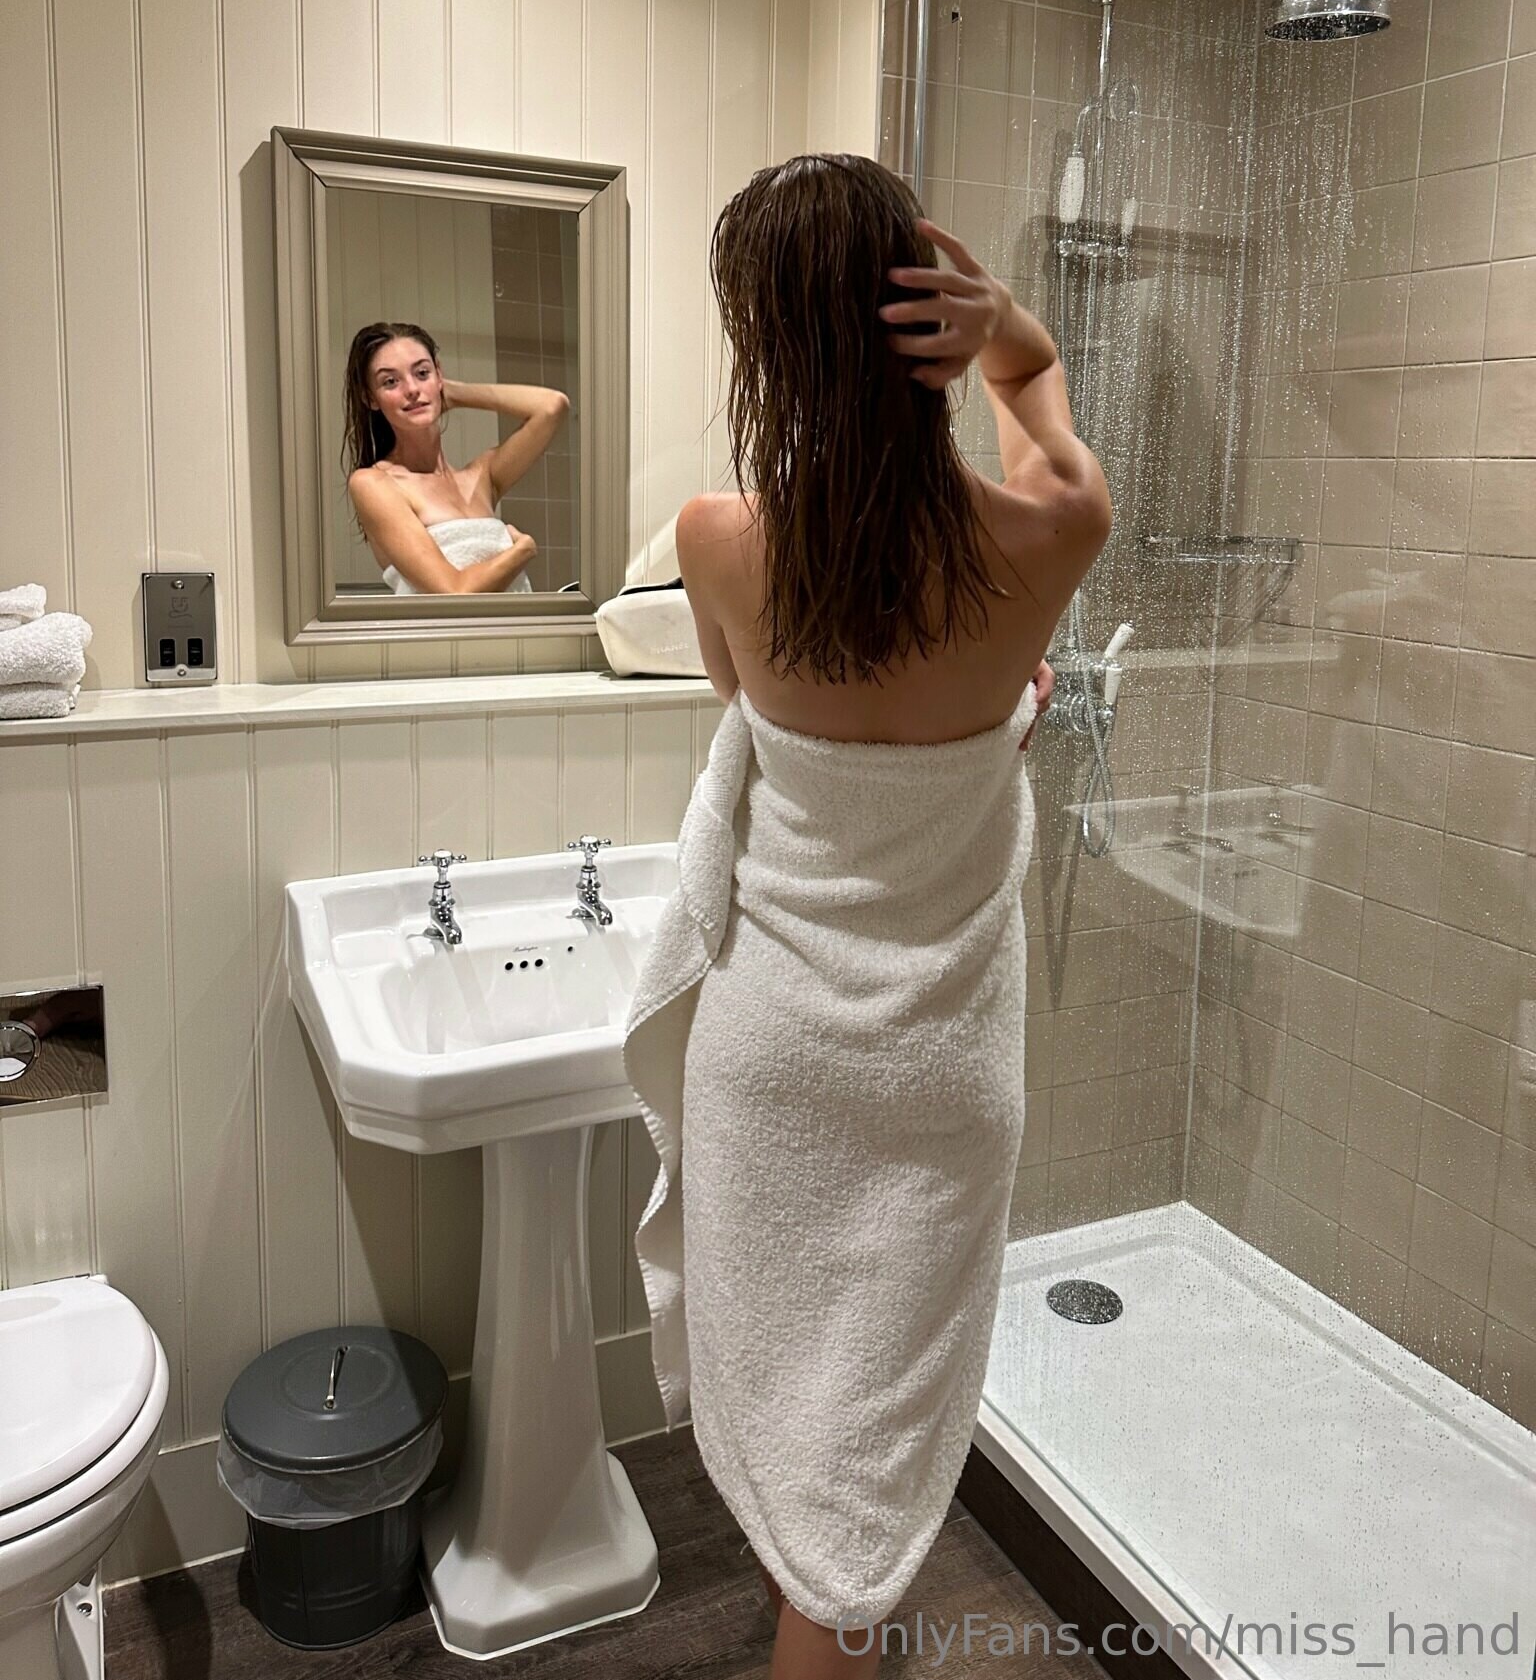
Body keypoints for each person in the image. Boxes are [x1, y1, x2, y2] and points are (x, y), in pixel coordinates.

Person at [621, 155, 1111, 1680]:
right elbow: (1039, 410)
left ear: (765, 345)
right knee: (874, 1439)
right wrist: (1009, 332)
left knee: (804, 1438)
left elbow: (750, 709)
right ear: (929, 323)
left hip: (778, 1057)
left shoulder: (719, 540)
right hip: (941, 1074)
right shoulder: (1051, 534)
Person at [340, 321, 569, 595]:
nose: (411, 389)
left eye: (422, 373)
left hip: (515, 625)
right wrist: (522, 551)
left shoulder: (482, 477)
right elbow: (452, 591)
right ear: (370, 398)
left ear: (439, 375)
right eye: (390, 382)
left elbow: (552, 407)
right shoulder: (374, 483)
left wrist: (454, 393)